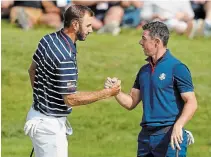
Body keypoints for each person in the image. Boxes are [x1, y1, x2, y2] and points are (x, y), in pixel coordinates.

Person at [24, 5, 120, 157]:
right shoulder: (65, 57)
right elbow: (71, 99)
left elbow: (32, 70)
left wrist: (43, 99)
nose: (91, 30)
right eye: (88, 25)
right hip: (50, 127)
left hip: (36, 115)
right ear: (75, 24)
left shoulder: (47, 39)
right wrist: (108, 93)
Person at [105, 21, 197, 157]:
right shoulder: (143, 71)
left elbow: (191, 102)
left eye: (144, 39)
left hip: (169, 136)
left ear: (156, 42)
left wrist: (179, 126)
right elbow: (131, 102)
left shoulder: (177, 68)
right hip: (145, 138)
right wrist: (116, 92)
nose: (140, 42)